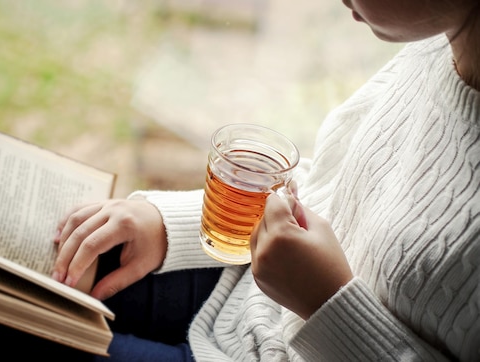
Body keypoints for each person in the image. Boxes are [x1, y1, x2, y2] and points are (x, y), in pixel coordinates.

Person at [50, 0, 480, 360]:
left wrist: (324, 304)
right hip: (243, 302)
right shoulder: (427, 52)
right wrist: (173, 224)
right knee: (46, 264)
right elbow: (339, 190)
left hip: (275, 330)